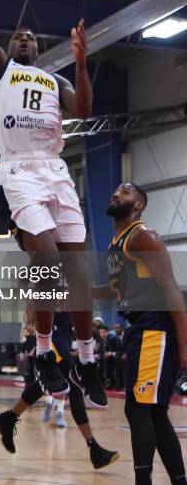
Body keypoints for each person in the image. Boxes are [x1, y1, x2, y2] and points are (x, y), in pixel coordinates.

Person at [0, 0, 107, 409]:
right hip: (19, 168)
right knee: (44, 253)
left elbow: (83, 111)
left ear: (39, 49)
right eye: (17, 36)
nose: (23, 38)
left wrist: (82, 62)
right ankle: (43, 351)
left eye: (30, 36)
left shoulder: (53, 80)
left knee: (78, 270)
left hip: (55, 170)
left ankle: (85, 360)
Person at [93, 182, 187, 485]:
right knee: (154, 413)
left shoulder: (144, 237)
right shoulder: (117, 243)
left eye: (125, 191)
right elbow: (116, 291)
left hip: (155, 326)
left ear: (138, 206)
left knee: (138, 409)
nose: (116, 193)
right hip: (140, 327)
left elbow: (172, 289)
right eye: (116, 189)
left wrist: (185, 345)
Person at [0, 311, 119, 470]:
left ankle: (8, 418)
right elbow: (39, 292)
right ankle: (94, 448)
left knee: (44, 385)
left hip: (64, 330)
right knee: (72, 386)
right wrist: (31, 311)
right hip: (52, 334)